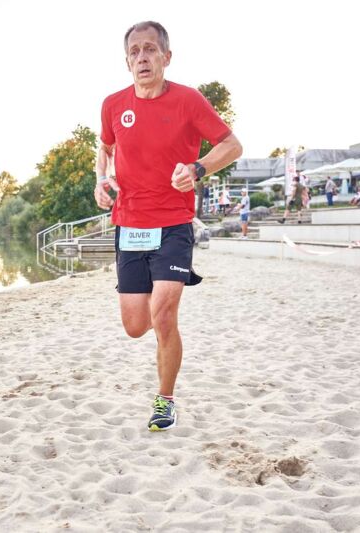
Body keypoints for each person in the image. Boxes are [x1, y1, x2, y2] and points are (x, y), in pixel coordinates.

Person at [94, 21, 242, 431]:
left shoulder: (188, 101)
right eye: (135, 51)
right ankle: (152, 318)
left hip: (174, 224)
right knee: (135, 326)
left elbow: (232, 145)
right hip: (129, 225)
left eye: (150, 49)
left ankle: (165, 399)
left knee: (163, 315)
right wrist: (101, 180)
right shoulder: (113, 105)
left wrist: (198, 168)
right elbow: (104, 148)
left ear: (166, 57)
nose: (142, 57)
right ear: (127, 61)